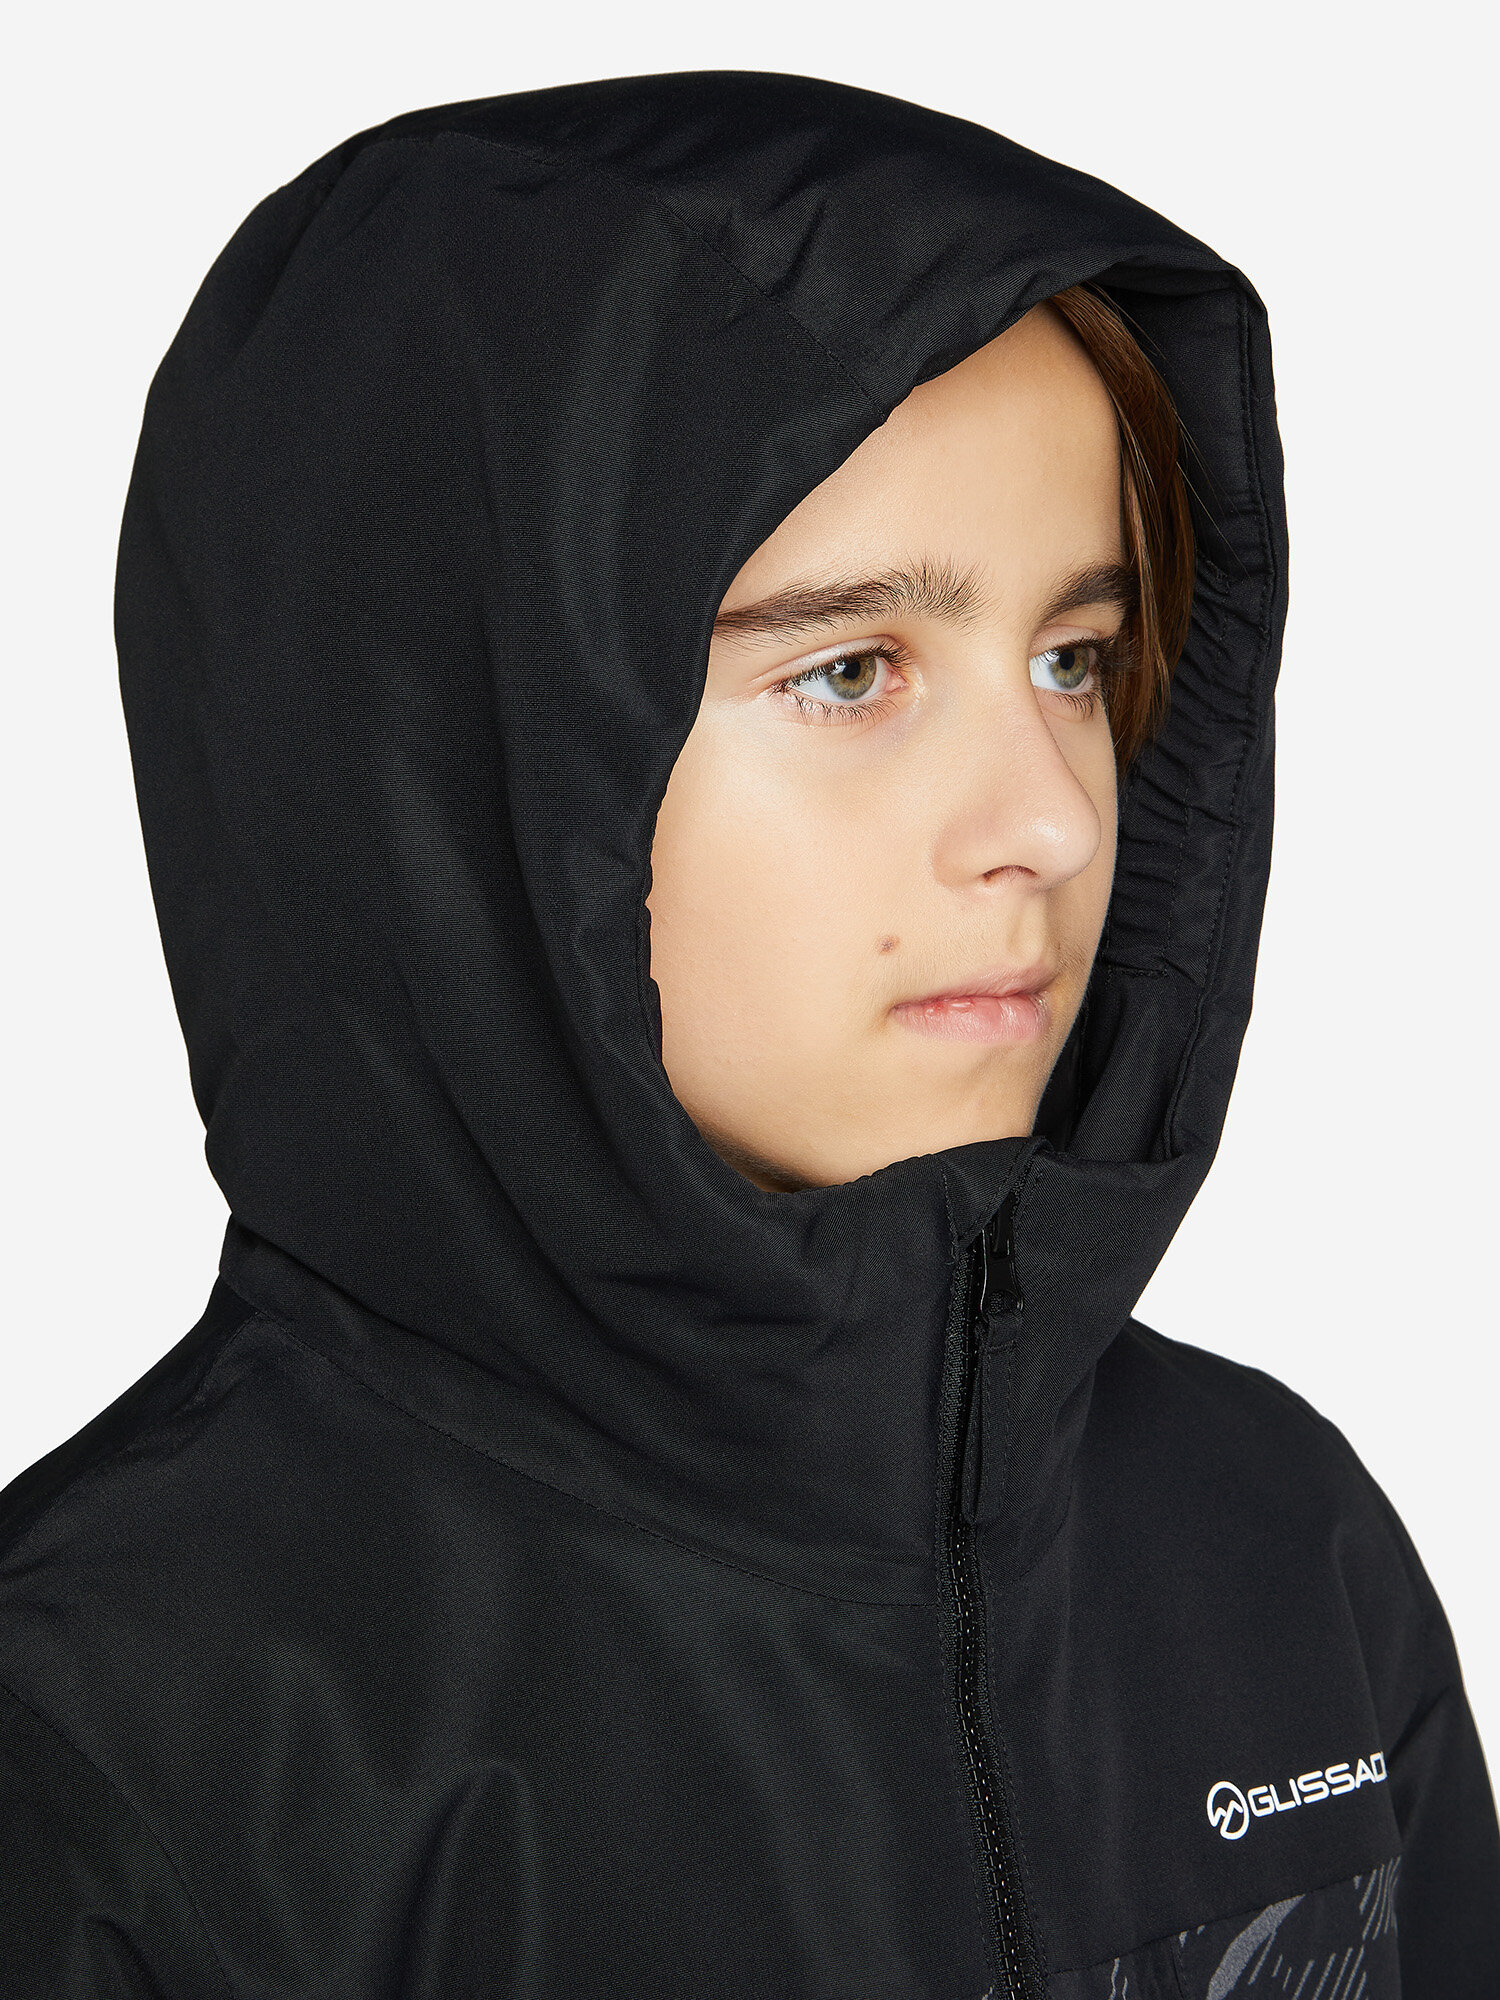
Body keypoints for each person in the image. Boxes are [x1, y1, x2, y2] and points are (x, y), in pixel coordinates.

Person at [0, 67, 1495, 1998]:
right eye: (853, 671)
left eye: (1074, 658)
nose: (1052, 819)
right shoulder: (113, 1744)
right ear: (441, 771)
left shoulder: (1275, 1541)